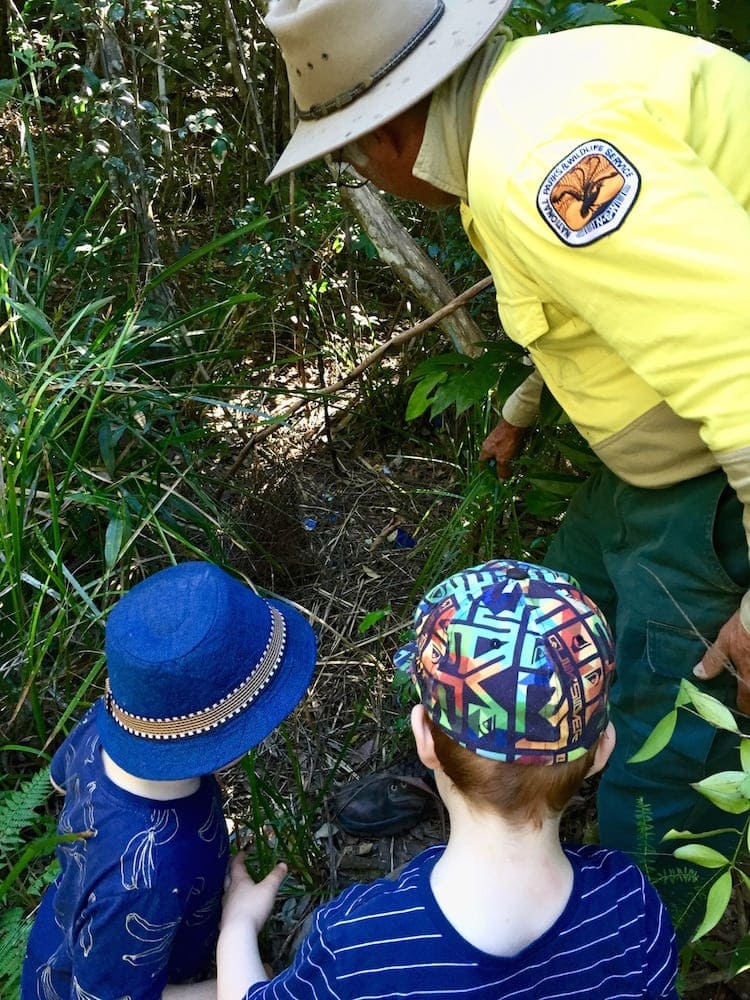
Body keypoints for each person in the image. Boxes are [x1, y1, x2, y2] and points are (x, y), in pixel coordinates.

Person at [262, 0, 750, 930]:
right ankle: (469, 761)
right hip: (651, 468)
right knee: (546, 596)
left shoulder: (536, 154)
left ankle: (651, 938)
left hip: (712, 485)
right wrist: (524, 410)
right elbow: (604, 301)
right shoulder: (509, 119)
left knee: (669, 722)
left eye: (348, 157)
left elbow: (741, 350)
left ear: (385, 132)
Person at [216, 560, 678, 1000]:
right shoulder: (630, 909)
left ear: (425, 740)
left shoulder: (358, 945)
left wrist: (236, 925)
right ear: (602, 750)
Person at [20, 561, 317, 1000]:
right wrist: (232, 985)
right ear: (224, 740)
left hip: (82, 932)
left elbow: (61, 780)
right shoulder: (147, 877)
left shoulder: (111, 725)